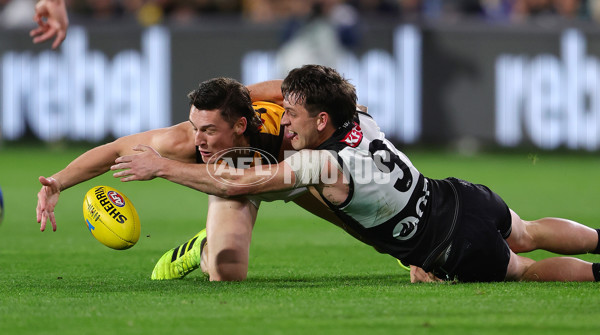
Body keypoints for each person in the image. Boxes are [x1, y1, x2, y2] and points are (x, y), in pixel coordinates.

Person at [112, 64, 600, 282]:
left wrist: (163, 168)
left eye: (294, 114)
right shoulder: (361, 117)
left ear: (320, 120)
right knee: (529, 231)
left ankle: (596, 275)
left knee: (527, 270)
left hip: (450, 244)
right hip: (464, 197)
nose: (285, 120)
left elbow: (234, 182)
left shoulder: (317, 163)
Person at [36, 78, 341, 281]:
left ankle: (391, 244)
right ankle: (200, 248)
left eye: (208, 130)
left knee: (354, 217)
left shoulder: (285, 129)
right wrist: (58, 182)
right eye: (196, 127)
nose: (198, 140)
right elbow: (115, 149)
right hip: (231, 186)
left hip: (289, 172)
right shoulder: (181, 141)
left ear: (239, 125)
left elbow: (294, 93)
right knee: (227, 271)